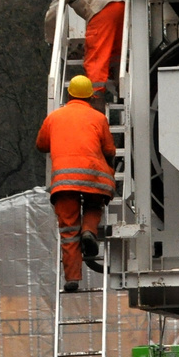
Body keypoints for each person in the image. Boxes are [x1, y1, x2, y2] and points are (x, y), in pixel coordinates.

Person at [35, 76, 115, 292]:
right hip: (93, 177)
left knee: (69, 231)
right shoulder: (98, 118)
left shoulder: (54, 118)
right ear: (90, 96)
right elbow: (109, 151)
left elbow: (41, 145)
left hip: (64, 183)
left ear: (69, 95)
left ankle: (72, 279)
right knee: (93, 204)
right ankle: (89, 230)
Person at [44, 0, 126, 100]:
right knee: (115, 55)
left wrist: (52, 42)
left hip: (103, 8)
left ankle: (95, 99)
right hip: (124, 6)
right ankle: (122, 92)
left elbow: (53, 14)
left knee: (96, 60)